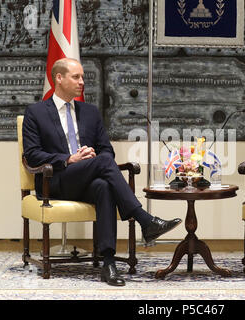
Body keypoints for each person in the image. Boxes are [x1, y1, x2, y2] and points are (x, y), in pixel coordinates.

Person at [22, 58, 182, 286]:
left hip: (87, 180)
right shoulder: (36, 112)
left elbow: (107, 150)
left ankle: (108, 263)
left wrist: (91, 156)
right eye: (76, 77)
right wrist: (69, 158)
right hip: (56, 181)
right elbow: (32, 154)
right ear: (59, 78)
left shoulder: (90, 112)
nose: (82, 82)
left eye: (83, 77)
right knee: (105, 163)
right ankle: (144, 220)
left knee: (104, 185)